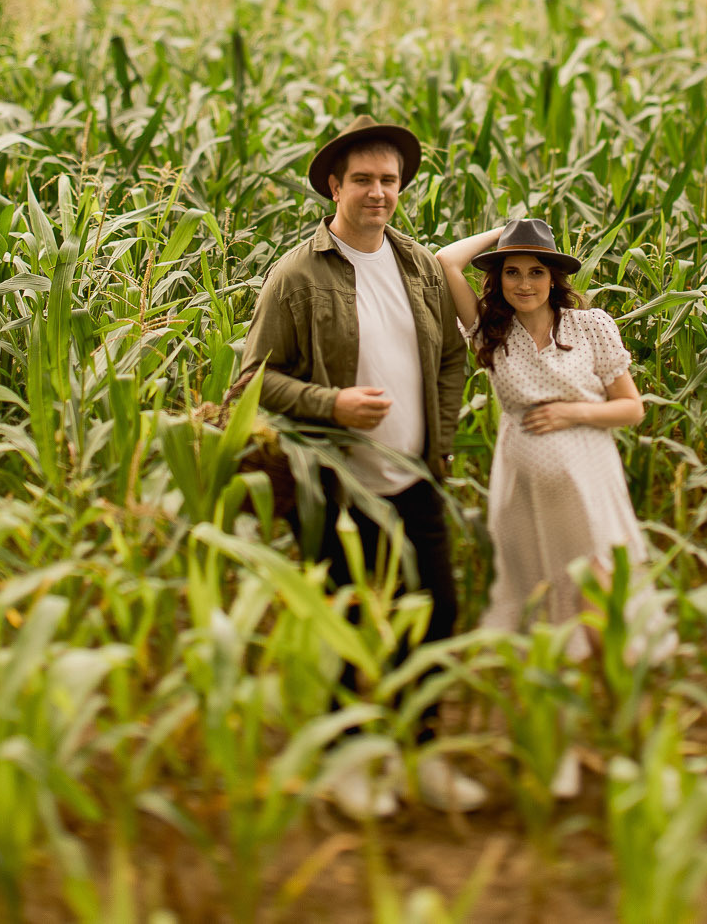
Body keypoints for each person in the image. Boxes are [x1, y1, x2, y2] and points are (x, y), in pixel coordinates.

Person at [238, 114, 485, 818]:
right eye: (364, 180)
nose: (379, 192)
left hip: (415, 477)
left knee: (436, 617)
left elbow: (449, 356)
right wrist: (332, 402)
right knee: (350, 627)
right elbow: (250, 382)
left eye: (390, 180)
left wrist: (441, 435)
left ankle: (420, 755)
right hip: (338, 484)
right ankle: (348, 764)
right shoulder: (297, 275)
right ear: (334, 186)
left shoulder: (417, 265)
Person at [435, 218, 672, 799]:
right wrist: (501, 235)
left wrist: (571, 413)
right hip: (525, 494)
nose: (523, 282)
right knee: (545, 620)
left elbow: (631, 410)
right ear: (498, 280)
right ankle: (557, 752)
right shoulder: (491, 331)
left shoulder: (590, 326)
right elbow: (444, 261)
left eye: (535, 270)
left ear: (555, 277)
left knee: (605, 621)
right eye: (511, 272)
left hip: (589, 482)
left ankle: (643, 752)